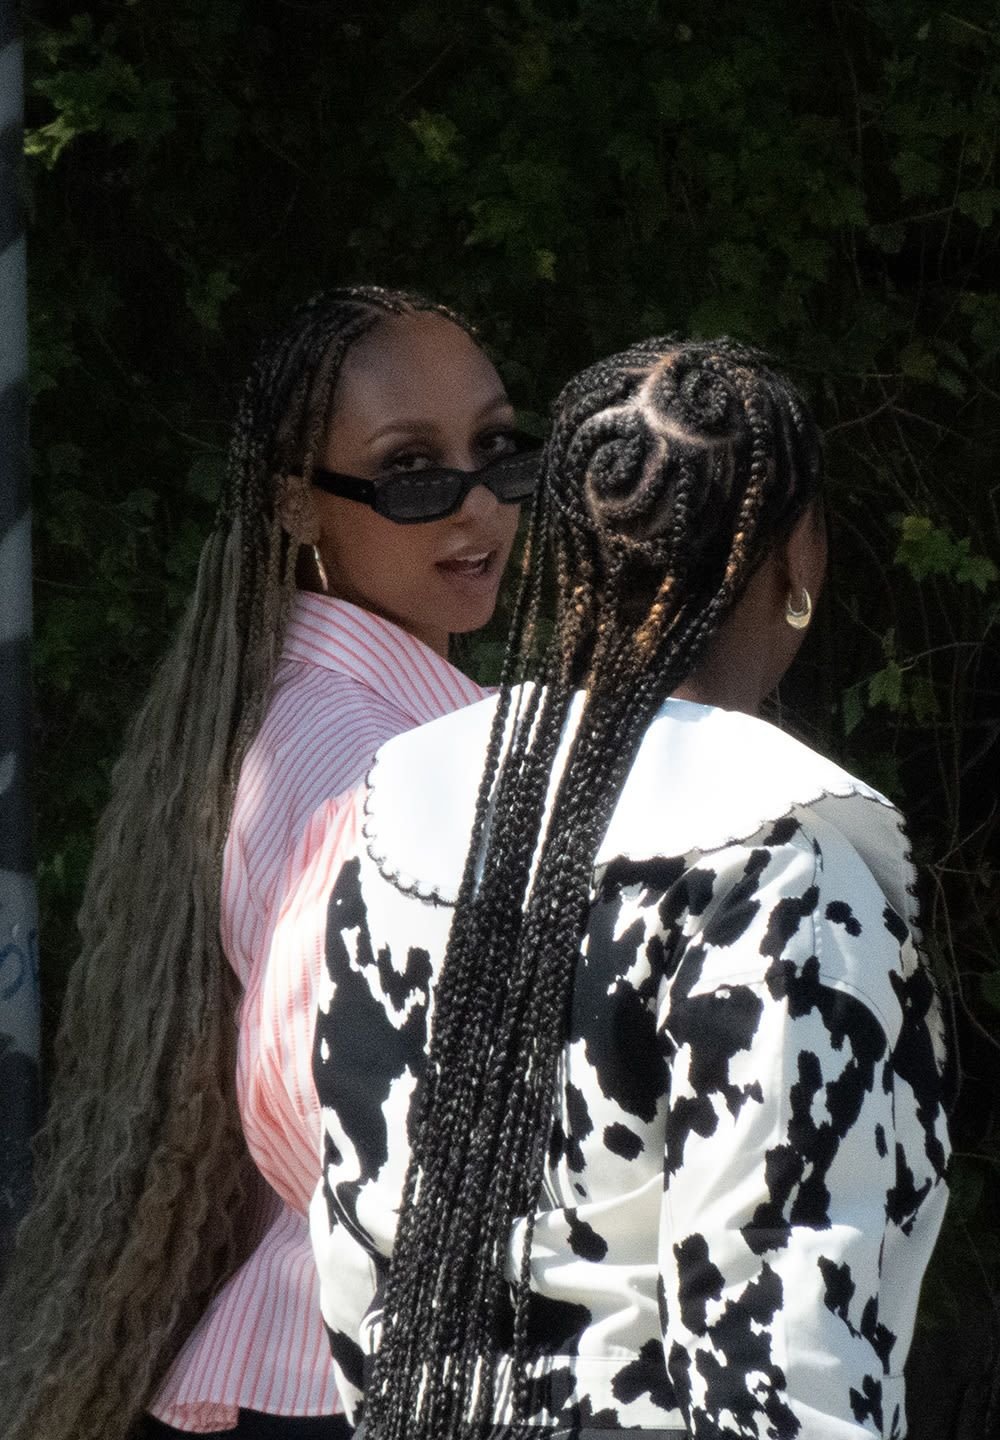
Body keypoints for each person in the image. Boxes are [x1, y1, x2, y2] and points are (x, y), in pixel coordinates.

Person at [302, 338, 951, 1439]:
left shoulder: (410, 812)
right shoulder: (783, 857)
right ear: (798, 556)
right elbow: (790, 1355)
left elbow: (360, 1257)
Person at [0, 286, 538, 1440]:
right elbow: (321, 1098)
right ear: (299, 503)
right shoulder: (372, 760)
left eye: (496, 449)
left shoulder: (319, 716)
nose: (477, 502)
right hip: (374, 1378)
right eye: (411, 471)